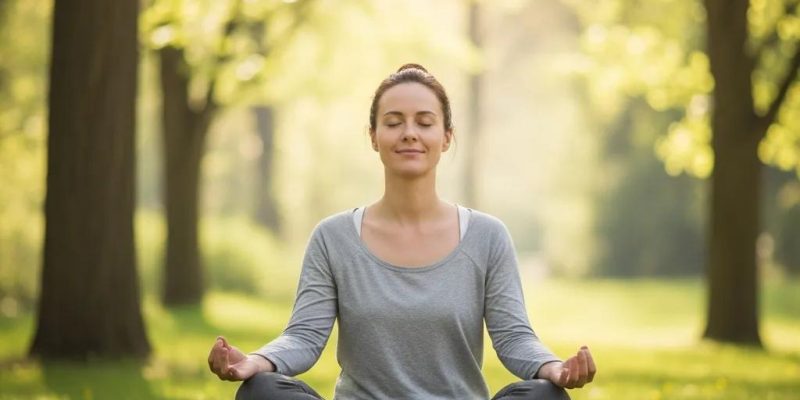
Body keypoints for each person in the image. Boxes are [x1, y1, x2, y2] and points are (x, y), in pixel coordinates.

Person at [208, 63, 597, 399]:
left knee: (545, 394)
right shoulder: (333, 238)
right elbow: (304, 337)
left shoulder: (488, 237)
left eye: (424, 123)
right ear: (374, 136)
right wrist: (254, 363)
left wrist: (553, 368)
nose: (409, 133)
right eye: (393, 123)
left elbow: (514, 338)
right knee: (262, 390)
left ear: (446, 137)